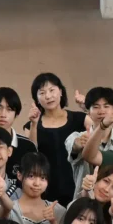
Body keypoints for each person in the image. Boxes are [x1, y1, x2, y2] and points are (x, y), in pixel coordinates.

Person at [24, 73, 87, 206]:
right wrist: (34, 124)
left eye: (52, 90)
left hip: (78, 187)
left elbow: (100, 132)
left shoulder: (80, 119)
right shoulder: (31, 126)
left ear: (61, 92)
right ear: (36, 99)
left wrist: (87, 108)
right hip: (45, 190)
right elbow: (32, 155)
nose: (48, 96)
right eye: (42, 93)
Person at [65, 87, 113, 194]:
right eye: (96, 107)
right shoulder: (76, 136)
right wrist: (78, 144)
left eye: (106, 106)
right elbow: (73, 146)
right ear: (88, 112)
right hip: (83, 199)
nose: (101, 111)